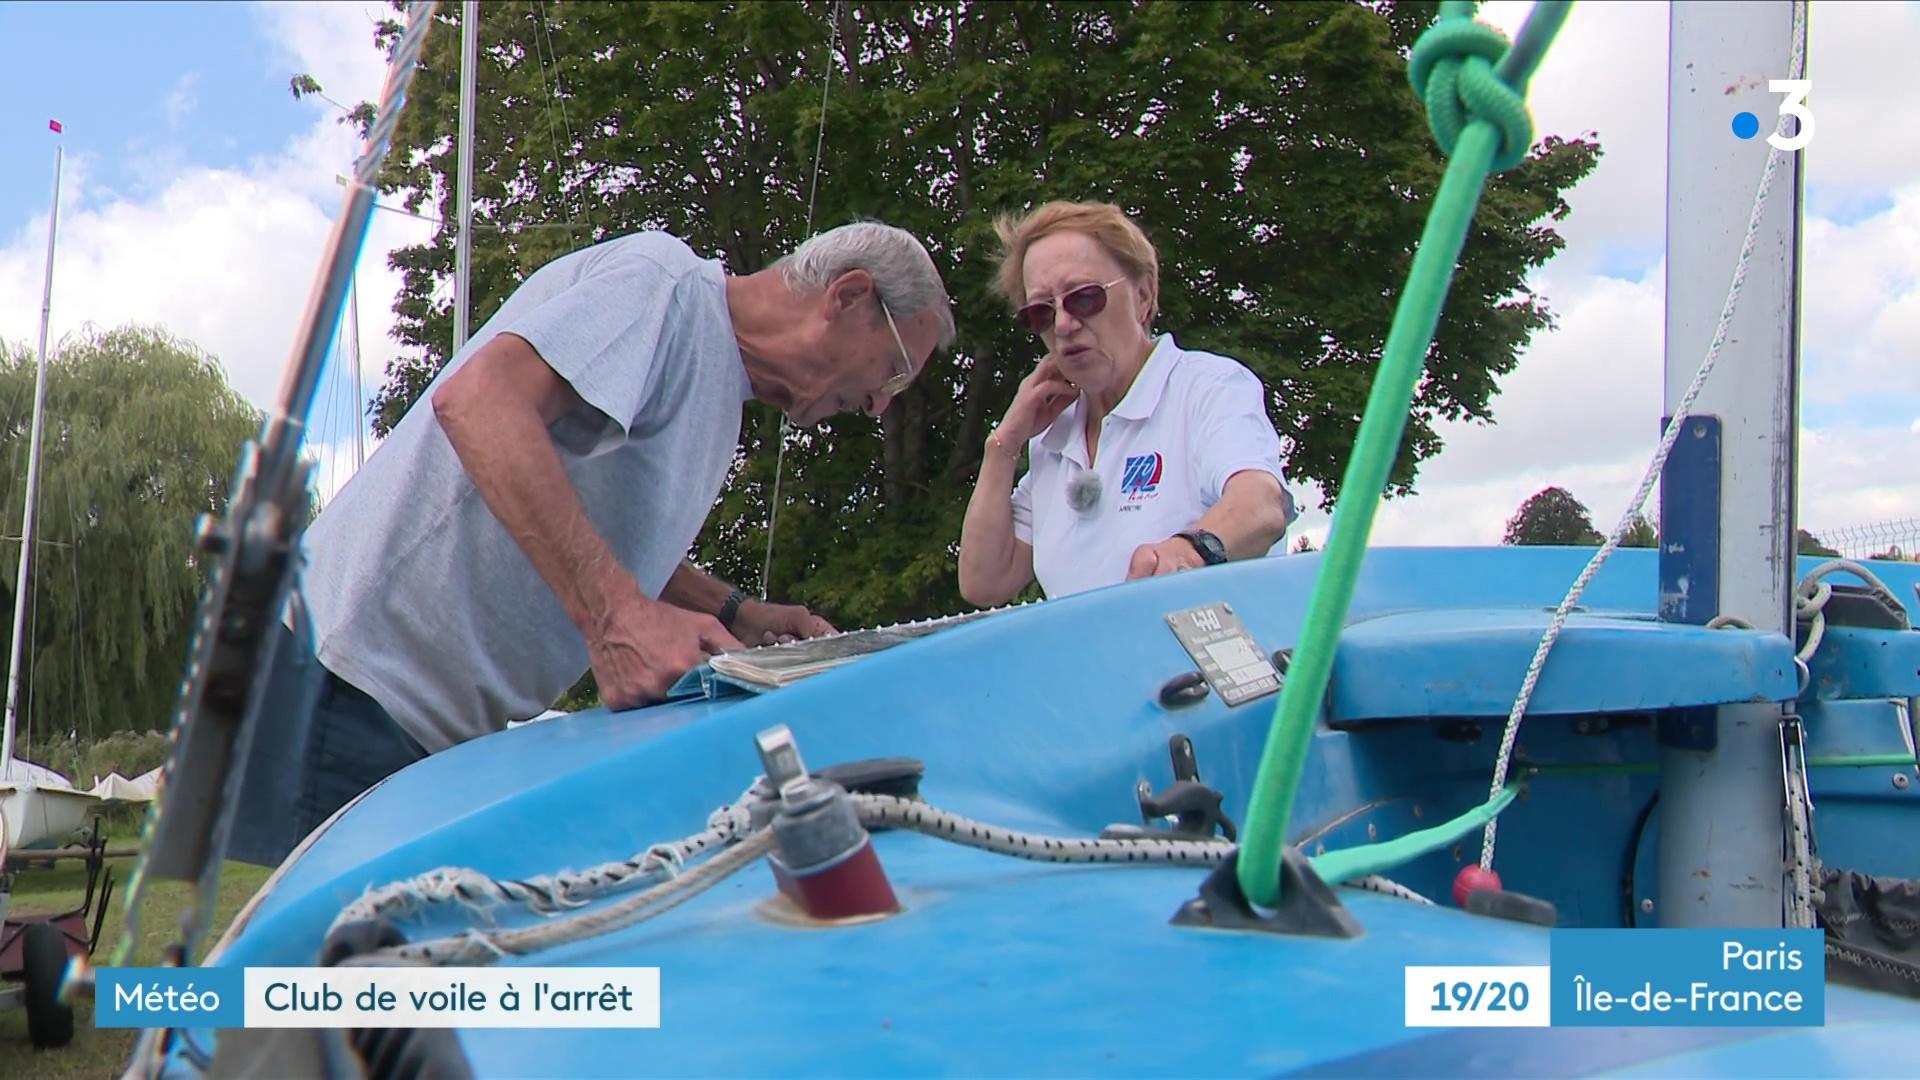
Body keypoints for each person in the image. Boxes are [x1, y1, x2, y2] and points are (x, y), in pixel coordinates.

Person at [226, 221, 955, 867]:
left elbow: (603, 531)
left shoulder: (721, 403)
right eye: (892, 370)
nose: (879, 405)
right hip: (342, 678)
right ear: (850, 297)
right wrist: (615, 620)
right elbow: (481, 402)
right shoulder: (661, 288)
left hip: (416, 721)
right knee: (324, 1001)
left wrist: (737, 612)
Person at [958, 201, 1295, 606]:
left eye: (1083, 298)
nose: (1063, 324)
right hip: (1104, 667)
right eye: (1041, 313)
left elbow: (1261, 504)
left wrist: (1188, 552)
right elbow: (984, 582)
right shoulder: (1055, 436)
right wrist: (1003, 446)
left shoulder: (1206, 386)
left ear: (1143, 295)